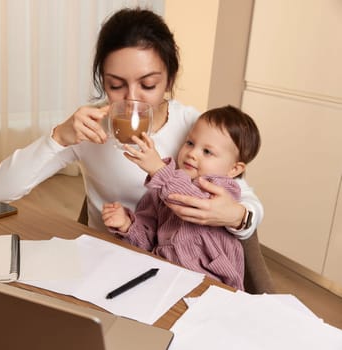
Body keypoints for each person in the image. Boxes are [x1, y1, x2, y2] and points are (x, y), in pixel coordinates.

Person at [0, 7, 263, 240]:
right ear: (103, 82)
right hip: (111, 259)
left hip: (177, 263)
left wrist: (237, 216)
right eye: (116, 85)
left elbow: (248, 203)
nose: (132, 99)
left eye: (148, 84)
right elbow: (0, 191)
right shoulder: (89, 127)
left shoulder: (193, 128)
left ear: (169, 80)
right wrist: (58, 137)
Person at [102, 106, 261, 290]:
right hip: (163, 276)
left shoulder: (224, 190)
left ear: (234, 169)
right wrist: (127, 225)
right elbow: (145, 242)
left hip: (212, 283)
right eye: (190, 143)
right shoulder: (160, 190)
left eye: (207, 152)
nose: (192, 154)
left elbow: (193, 202)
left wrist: (158, 169)